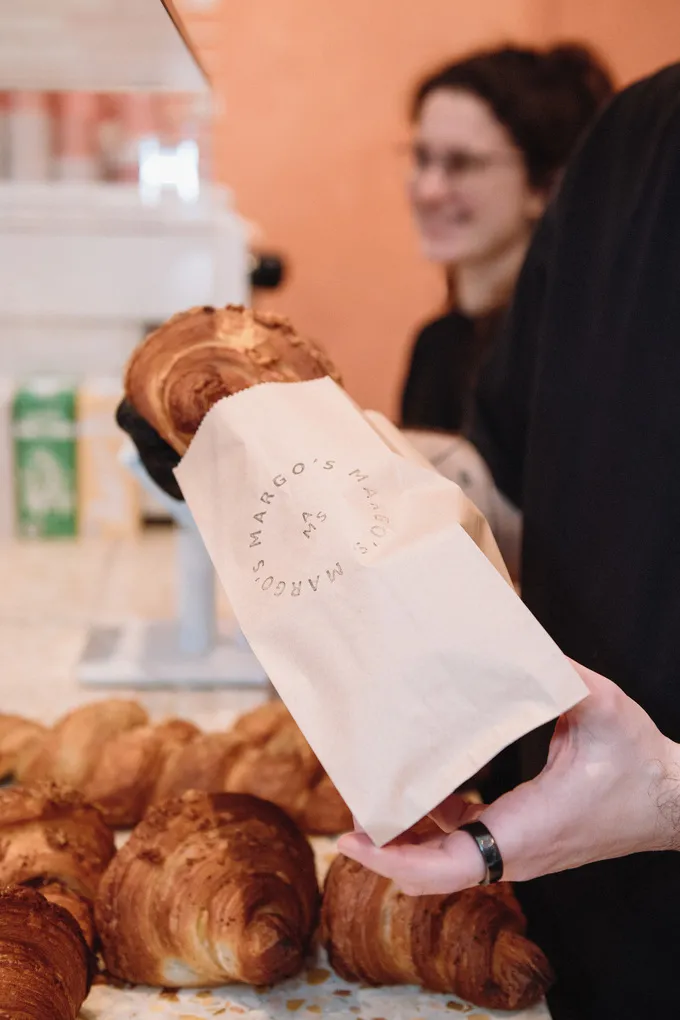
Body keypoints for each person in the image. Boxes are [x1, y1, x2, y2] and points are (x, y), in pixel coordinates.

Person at [340, 62, 680, 1018]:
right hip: (569, 913)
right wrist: (286, 460)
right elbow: (504, 489)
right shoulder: (628, 138)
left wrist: (665, 794)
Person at [400, 43, 613, 435]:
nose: (428, 191)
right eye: (421, 158)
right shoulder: (437, 345)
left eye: (462, 163)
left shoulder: (570, 354)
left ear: (545, 187)